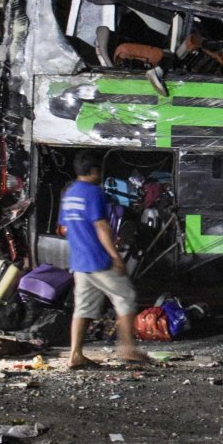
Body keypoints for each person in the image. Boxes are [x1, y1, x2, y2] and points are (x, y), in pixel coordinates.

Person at [60, 150, 147, 369]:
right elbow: (101, 226)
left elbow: (63, 228)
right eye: (99, 170)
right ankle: (127, 349)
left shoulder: (69, 194)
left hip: (79, 261)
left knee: (83, 309)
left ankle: (75, 355)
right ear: (92, 171)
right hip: (97, 259)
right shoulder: (93, 192)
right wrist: (115, 256)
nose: (100, 174)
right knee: (126, 296)